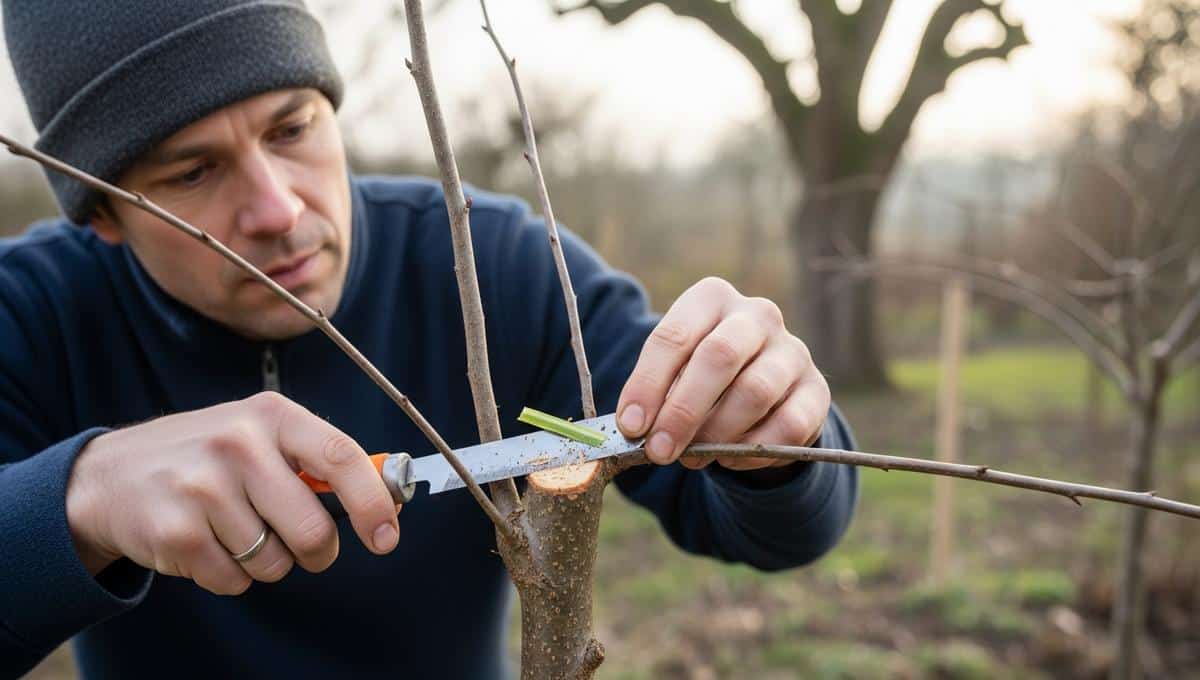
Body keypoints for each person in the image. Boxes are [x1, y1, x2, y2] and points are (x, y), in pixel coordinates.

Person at [0, 1, 858, 677]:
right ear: (105, 212)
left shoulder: (496, 265)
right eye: (192, 172)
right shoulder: (30, 313)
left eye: (291, 129)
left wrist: (775, 437)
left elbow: (775, 531)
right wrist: (78, 500)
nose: (277, 209)